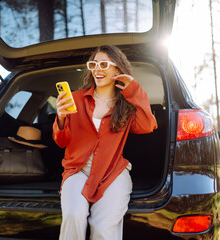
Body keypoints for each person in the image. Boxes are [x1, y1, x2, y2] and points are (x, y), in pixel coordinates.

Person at [53, 45, 157, 240]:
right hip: (77, 170)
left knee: (103, 227)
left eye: (103, 64)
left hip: (113, 172)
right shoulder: (74, 99)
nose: (97, 69)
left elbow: (147, 125)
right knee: (74, 215)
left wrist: (133, 88)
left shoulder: (126, 105)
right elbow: (61, 141)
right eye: (93, 64)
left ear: (117, 69)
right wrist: (60, 117)